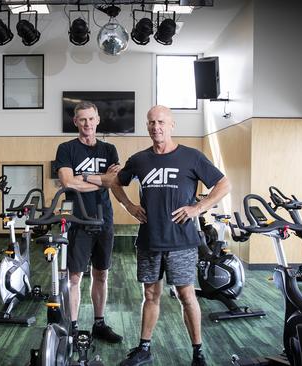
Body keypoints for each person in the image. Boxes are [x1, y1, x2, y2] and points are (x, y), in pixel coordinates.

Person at [100, 105, 231, 366]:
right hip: (150, 239)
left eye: (160, 122)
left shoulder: (192, 157)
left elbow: (224, 184)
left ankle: (198, 353)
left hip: (181, 241)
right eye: (151, 122)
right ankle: (144, 348)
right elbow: (115, 182)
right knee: (150, 295)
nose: (155, 127)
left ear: (171, 125)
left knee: (186, 295)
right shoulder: (139, 160)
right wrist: (129, 205)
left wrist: (198, 207)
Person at [54, 101, 123, 343]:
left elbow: (113, 182)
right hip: (78, 219)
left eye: (91, 118)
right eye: (82, 119)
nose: (87, 123)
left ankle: (99, 323)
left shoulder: (109, 149)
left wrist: (81, 176)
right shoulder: (66, 148)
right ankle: (72, 327)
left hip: (104, 219)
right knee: (74, 277)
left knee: (101, 274)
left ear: (98, 120)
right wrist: (99, 179)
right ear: (76, 122)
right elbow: (67, 183)